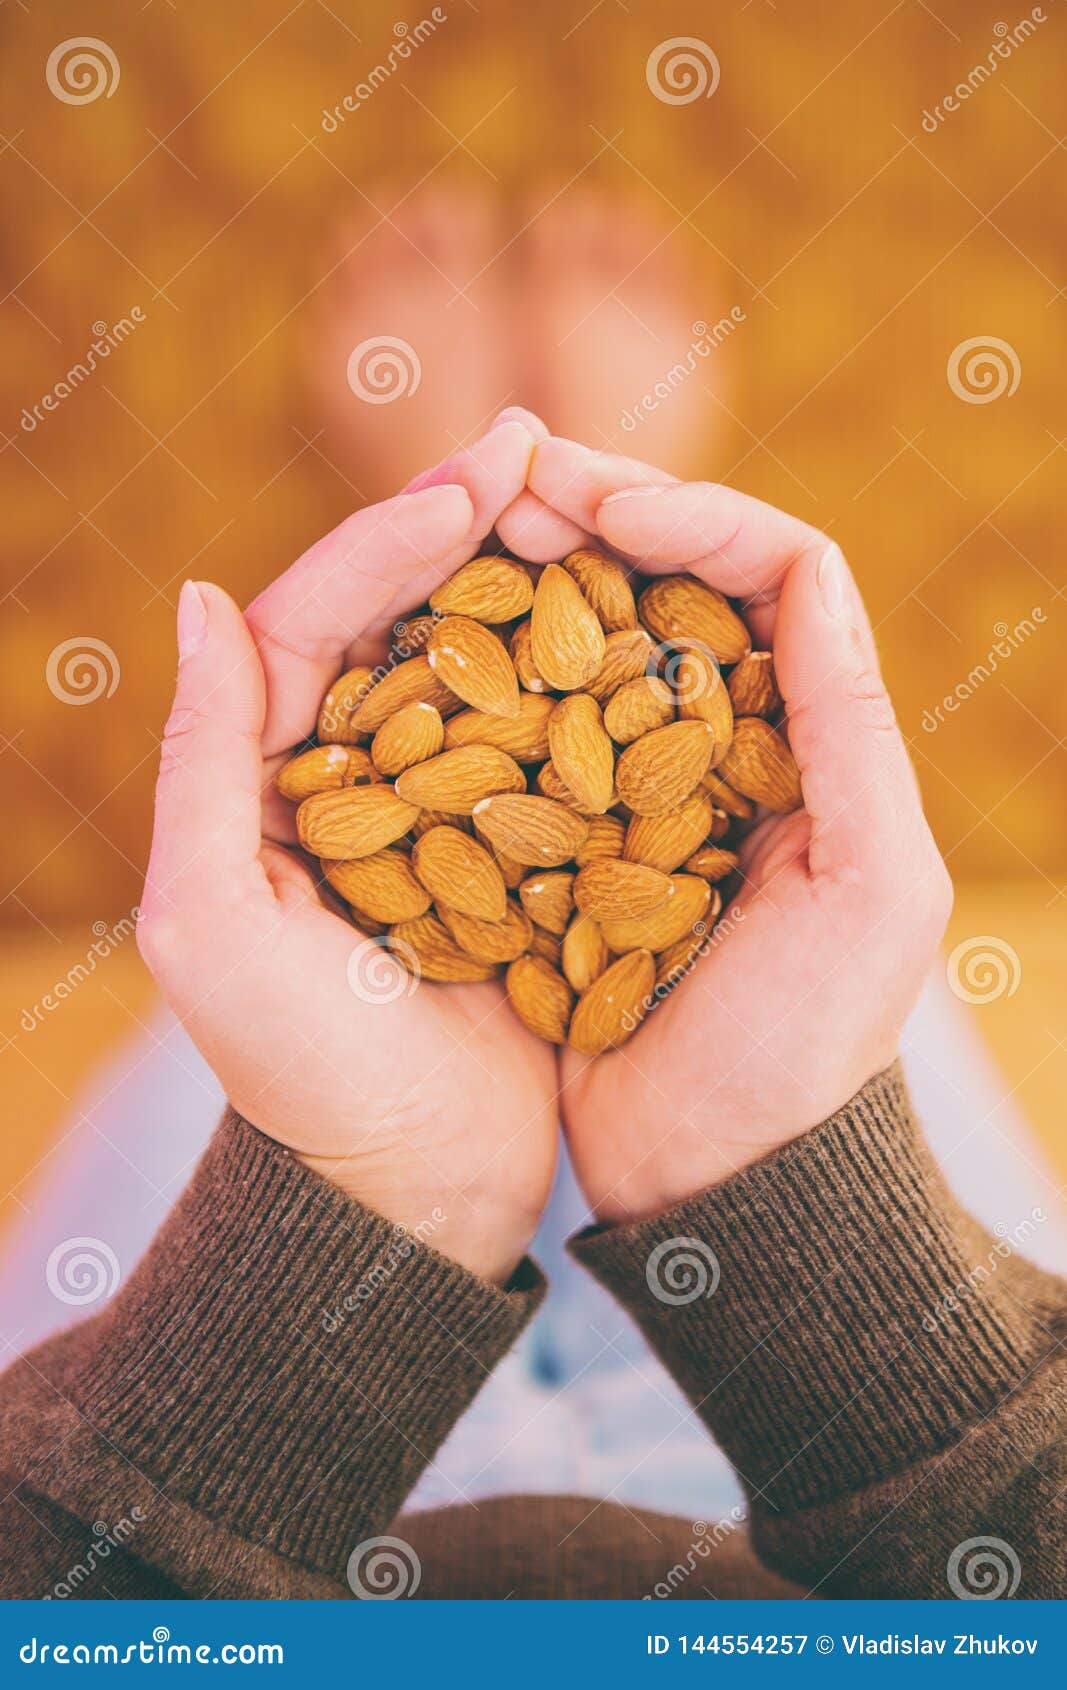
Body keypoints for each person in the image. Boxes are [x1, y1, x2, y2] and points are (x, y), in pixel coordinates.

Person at [0, 416, 1063, 1602]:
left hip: (271, 1494)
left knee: (272, 923)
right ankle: (551, 482)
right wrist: (778, 1158)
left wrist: (370, 1189)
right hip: (772, 1515)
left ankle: (447, 499)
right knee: (828, 938)